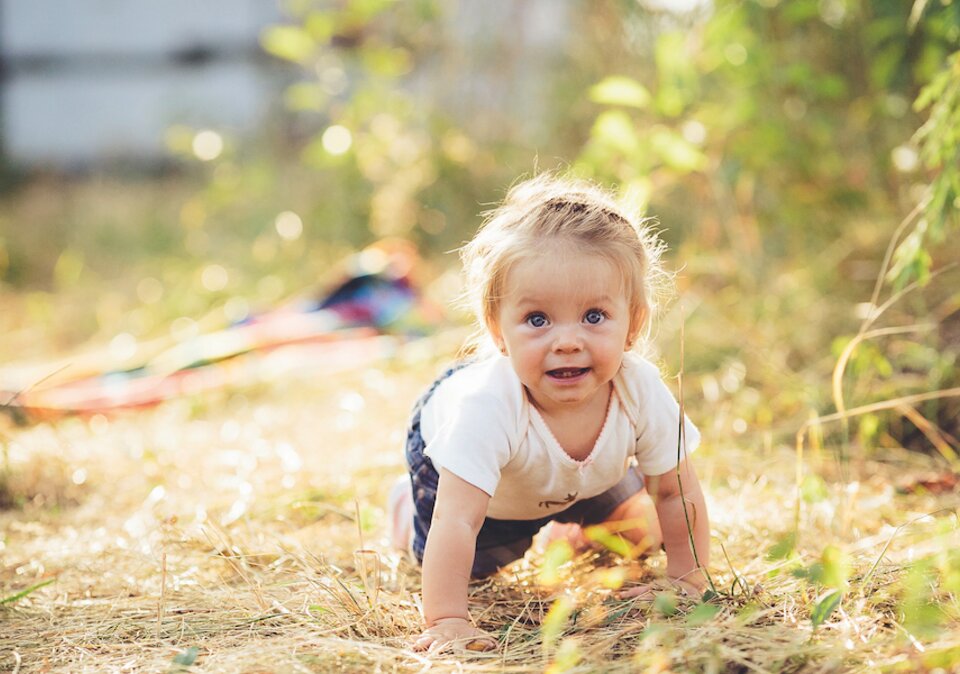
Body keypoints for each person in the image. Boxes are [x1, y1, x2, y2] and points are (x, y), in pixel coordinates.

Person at [389, 174, 710, 652]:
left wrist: (689, 579)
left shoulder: (639, 388)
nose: (566, 341)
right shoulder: (485, 408)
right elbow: (456, 521)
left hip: (580, 477)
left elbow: (676, 488)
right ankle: (398, 505)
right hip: (480, 486)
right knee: (463, 561)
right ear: (499, 330)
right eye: (537, 320)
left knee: (641, 535)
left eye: (594, 316)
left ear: (633, 323)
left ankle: (566, 525)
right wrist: (448, 618)